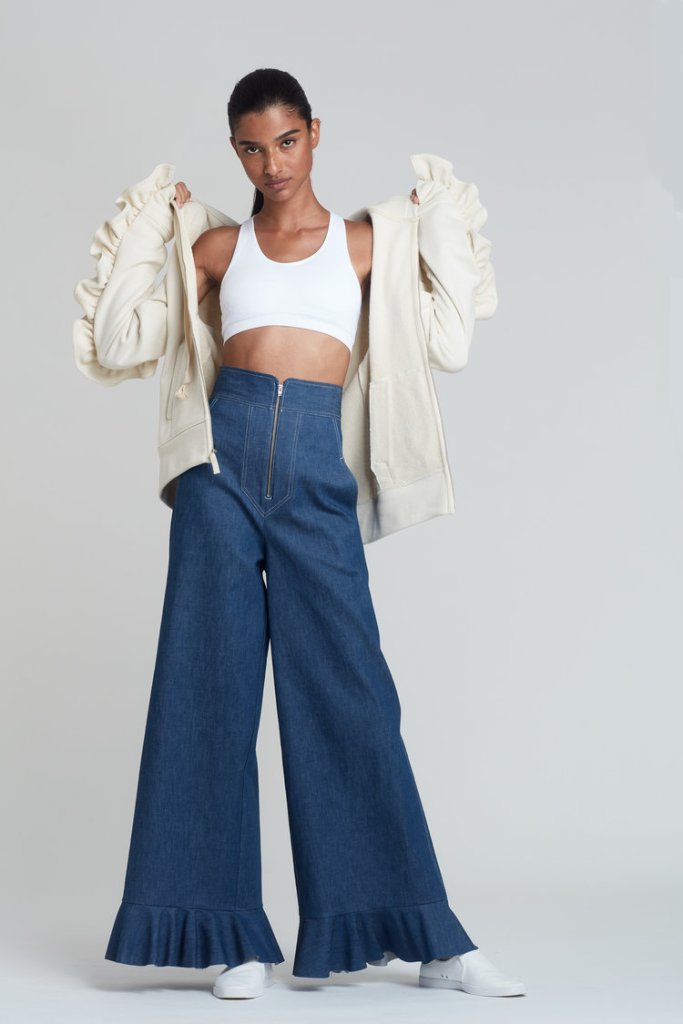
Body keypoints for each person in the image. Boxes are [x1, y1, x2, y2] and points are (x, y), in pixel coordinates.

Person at [75, 67, 525, 1001]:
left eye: (285, 141)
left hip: (318, 468)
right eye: (252, 147)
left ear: (314, 133)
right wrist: (152, 221)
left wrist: (437, 219)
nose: (271, 163)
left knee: (350, 696)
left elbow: (450, 340)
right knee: (204, 690)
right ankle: (229, 938)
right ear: (235, 150)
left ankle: (429, 939)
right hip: (221, 467)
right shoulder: (216, 247)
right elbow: (118, 342)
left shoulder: (365, 244)